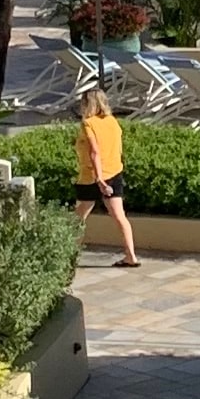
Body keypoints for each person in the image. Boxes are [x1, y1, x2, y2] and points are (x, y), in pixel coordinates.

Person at [74, 83, 138, 267]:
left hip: (91, 177)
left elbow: (95, 152)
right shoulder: (112, 121)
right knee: (120, 217)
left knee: (79, 217)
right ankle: (131, 256)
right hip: (114, 173)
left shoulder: (88, 124)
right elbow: (117, 148)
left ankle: (68, 254)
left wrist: (99, 178)